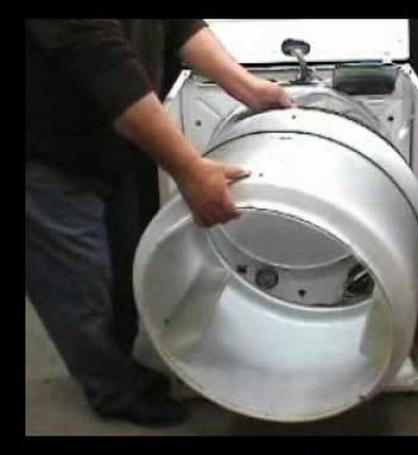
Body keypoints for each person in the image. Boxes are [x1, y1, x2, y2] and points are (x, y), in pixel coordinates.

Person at [25, 19, 295, 427]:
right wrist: (190, 170)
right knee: (78, 288)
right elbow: (104, 61)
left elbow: (176, 24)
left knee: (125, 266)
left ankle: (122, 358)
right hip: (46, 155)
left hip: (110, 139)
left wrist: (247, 87)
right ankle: (113, 390)